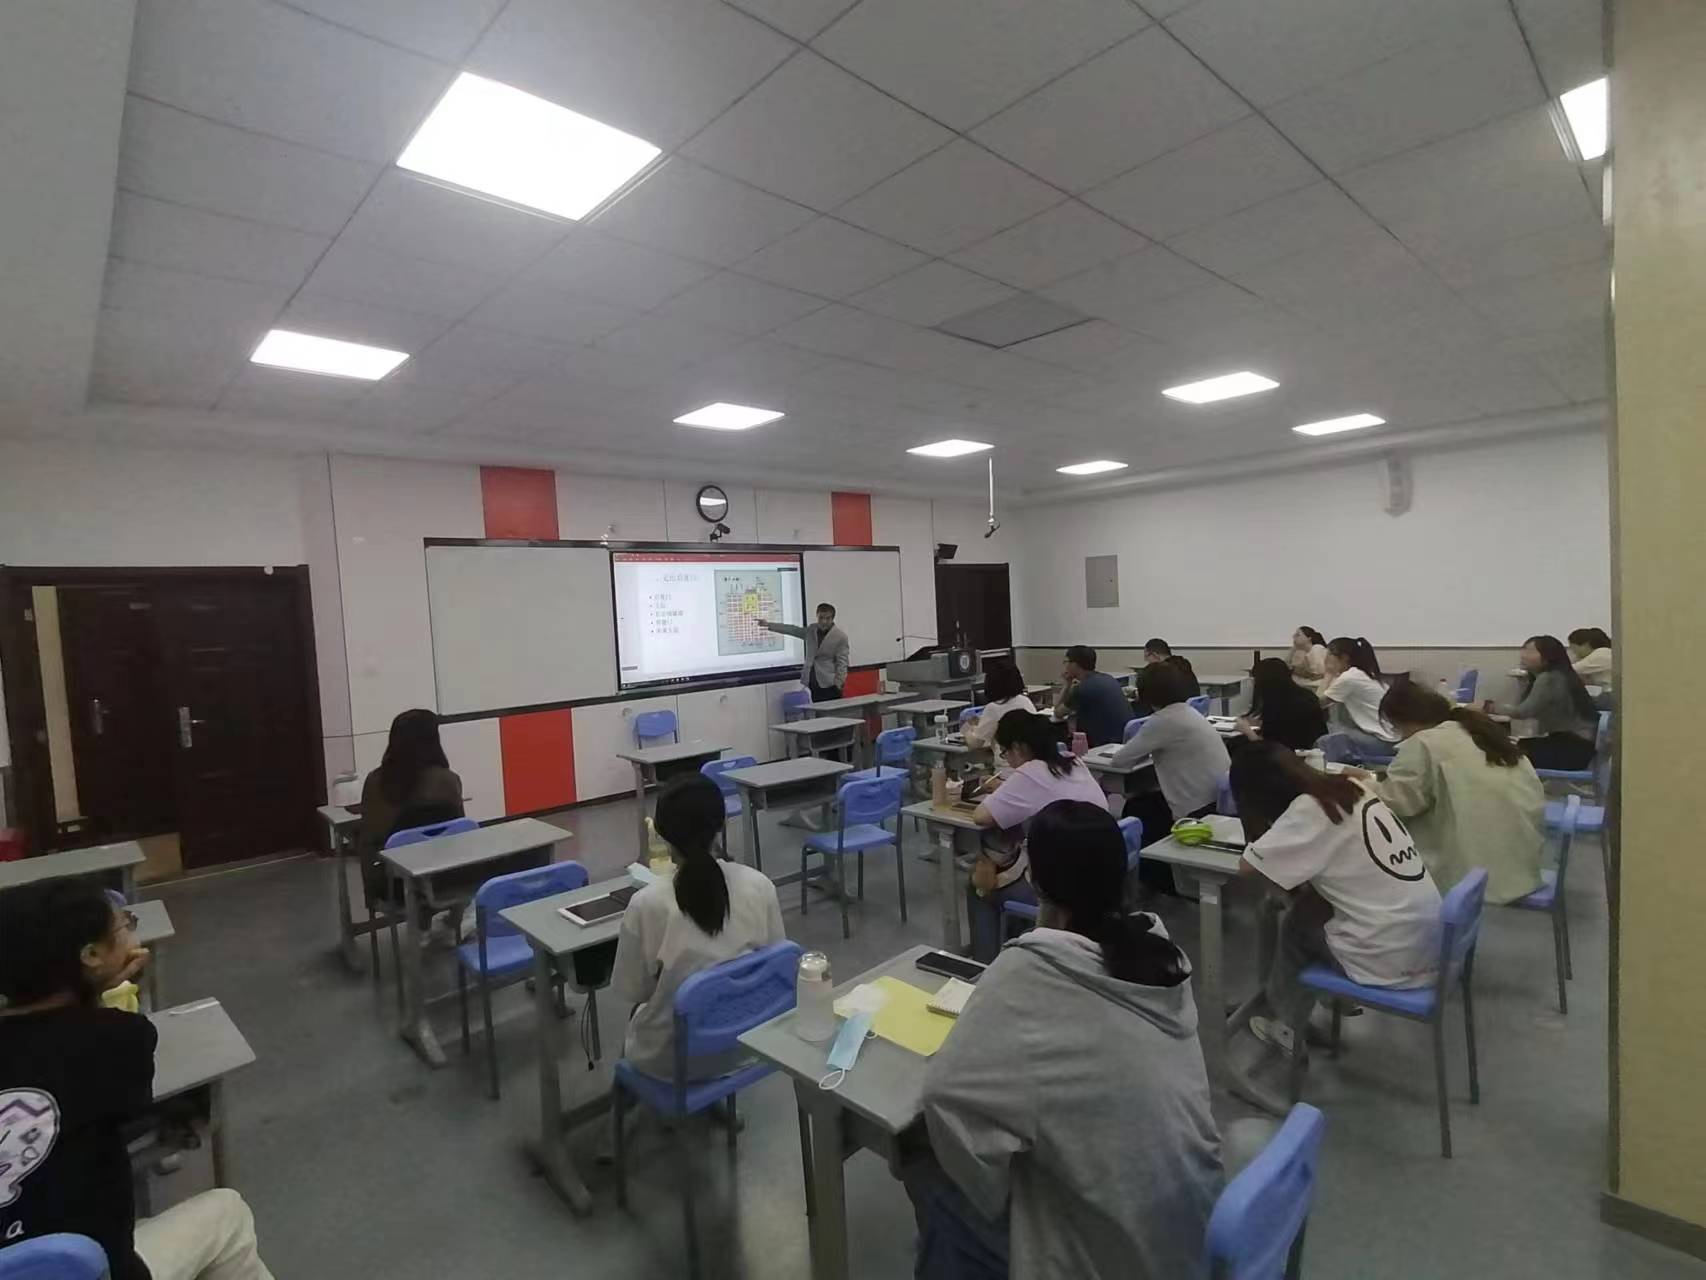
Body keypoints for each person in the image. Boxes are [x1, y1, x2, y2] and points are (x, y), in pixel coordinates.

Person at [905, 800, 1223, 1280]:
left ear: (1036, 879)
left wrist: (998, 1190)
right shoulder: (1159, 953)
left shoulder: (1029, 972)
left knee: (922, 1157)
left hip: (1113, 1255)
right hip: (1188, 1226)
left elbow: (945, 1096)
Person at [0, 881, 274, 1280]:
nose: (131, 929)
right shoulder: (116, 1038)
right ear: (92, 955)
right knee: (227, 1213)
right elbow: (130, 1105)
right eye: (125, 923)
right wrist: (108, 995)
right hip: (86, 1270)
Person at [1232, 746, 1442, 1058]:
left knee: (1295, 926)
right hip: (1427, 943)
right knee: (1308, 909)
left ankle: (1286, 1023)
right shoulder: (1349, 789)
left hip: (1390, 956)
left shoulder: (1309, 810)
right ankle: (1314, 1003)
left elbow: (1248, 867)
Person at [610, 774, 785, 1080]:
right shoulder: (760, 885)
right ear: (721, 824)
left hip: (672, 1062)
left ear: (661, 834)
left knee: (639, 1014)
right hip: (746, 1044)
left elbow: (634, 989)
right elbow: (777, 965)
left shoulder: (646, 904)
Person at [1364, 683, 1544, 903]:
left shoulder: (1424, 742)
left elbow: (1398, 804)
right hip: (1519, 867)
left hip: (1472, 875)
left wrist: (1364, 783)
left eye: (1395, 727)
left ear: (1404, 721)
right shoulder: (1479, 732)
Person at [965, 713, 1109, 961]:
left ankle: (986, 964)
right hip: (1101, 877)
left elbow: (981, 816)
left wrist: (1003, 791)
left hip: (1061, 889)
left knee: (978, 886)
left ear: (1019, 748)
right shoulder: (1073, 761)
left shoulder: (1029, 773)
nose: (1007, 760)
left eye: (1005, 753)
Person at [1112, 662, 1230, 849]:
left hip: (1195, 810)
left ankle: (1150, 862)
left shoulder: (1162, 721)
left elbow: (1120, 761)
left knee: (1136, 806)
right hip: (1217, 799)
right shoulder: (1189, 711)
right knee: (1148, 801)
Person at [356, 708, 464, 902]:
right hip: (445, 879)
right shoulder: (449, 780)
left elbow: (369, 841)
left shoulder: (375, 782)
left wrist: (370, 892)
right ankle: (452, 918)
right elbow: (461, 837)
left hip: (396, 887)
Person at [1491, 635, 1601, 771]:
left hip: (1570, 750)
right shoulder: (1559, 675)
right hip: (1577, 746)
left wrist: (1488, 707)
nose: (1523, 655)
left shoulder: (1549, 679)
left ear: (1548, 656)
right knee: (1509, 746)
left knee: (1502, 752)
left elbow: (1522, 712)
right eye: (1523, 650)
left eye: (1530, 651)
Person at [1316, 636, 1399, 764]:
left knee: (1326, 734)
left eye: (1328, 654)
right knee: (1335, 724)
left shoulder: (1350, 677)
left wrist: (1328, 674)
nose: (1325, 659)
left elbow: (1316, 704)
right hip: (1391, 739)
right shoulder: (1366, 674)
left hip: (1380, 742)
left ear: (1344, 657)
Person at [762, 602, 850, 702]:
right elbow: (792, 630)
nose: (824, 621)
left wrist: (839, 683)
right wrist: (769, 625)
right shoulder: (811, 631)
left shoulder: (840, 637)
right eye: (821, 618)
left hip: (830, 684)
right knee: (817, 710)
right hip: (812, 682)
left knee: (832, 711)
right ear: (817, 616)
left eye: (827, 618)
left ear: (833, 619)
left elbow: (842, 663)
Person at [1237, 657, 1328, 751]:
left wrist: (1247, 731)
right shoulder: (1307, 695)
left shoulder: (1279, 705)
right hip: (1317, 752)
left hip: (1292, 755)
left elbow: (1270, 748)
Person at [1055, 645, 1129, 747]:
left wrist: (1066, 684)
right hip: (1123, 738)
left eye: (1066, 662)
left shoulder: (1082, 688)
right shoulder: (1108, 678)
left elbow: (1058, 713)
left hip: (1104, 744)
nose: (1065, 666)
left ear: (1075, 664)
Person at [962, 663, 1035, 750]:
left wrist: (968, 728)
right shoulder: (1025, 700)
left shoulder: (993, 708)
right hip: (1029, 754)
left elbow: (976, 743)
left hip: (1008, 757)